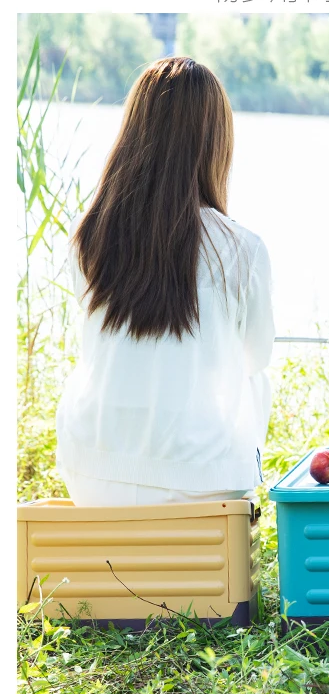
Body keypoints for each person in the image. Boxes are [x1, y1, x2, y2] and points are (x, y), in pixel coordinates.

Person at [55, 57, 275, 507]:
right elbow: (256, 356)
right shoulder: (241, 249)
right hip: (200, 483)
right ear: (216, 143)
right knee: (255, 380)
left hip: (92, 473)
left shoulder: (87, 237)